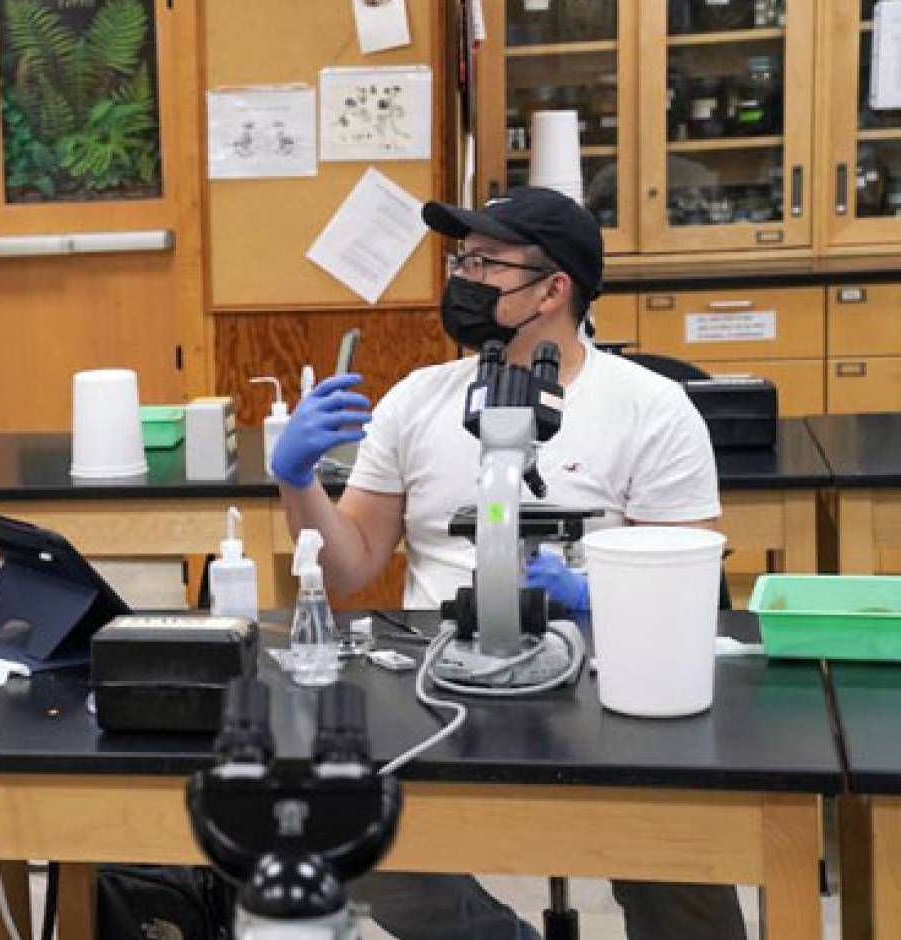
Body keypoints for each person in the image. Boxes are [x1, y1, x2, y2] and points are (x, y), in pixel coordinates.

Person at [269, 186, 746, 940]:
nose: (461, 277)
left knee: (683, 866)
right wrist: (297, 482)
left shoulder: (652, 409)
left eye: (487, 262)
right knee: (355, 840)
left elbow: (686, 579)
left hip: (601, 682)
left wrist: (590, 594)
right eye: (463, 258)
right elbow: (348, 569)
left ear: (555, 288)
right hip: (440, 678)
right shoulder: (416, 401)